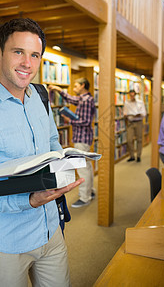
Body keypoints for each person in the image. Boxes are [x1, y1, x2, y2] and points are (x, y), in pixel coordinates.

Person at [0, 18, 84, 287]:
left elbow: (52, 142)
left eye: (34, 55)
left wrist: (62, 171)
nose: (27, 63)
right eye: (18, 52)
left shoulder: (40, 96)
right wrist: (29, 200)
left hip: (50, 230)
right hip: (7, 242)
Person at [48, 78, 95, 208]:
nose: (74, 88)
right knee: (88, 166)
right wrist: (59, 90)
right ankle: (90, 192)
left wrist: (70, 120)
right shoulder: (85, 98)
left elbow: (85, 121)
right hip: (84, 137)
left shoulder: (85, 101)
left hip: (82, 137)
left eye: (76, 85)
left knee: (82, 168)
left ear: (83, 85)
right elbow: (71, 99)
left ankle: (85, 197)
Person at [124, 89, 146, 162]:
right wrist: (127, 115)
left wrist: (139, 114)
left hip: (139, 121)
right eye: (131, 95)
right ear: (129, 95)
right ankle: (132, 155)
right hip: (130, 122)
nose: (132, 97)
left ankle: (139, 156)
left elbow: (144, 113)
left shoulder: (140, 102)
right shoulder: (127, 102)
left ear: (135, 95)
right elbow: (125, 112)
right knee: (129, 140)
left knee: (139, 139)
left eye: (133, 95)